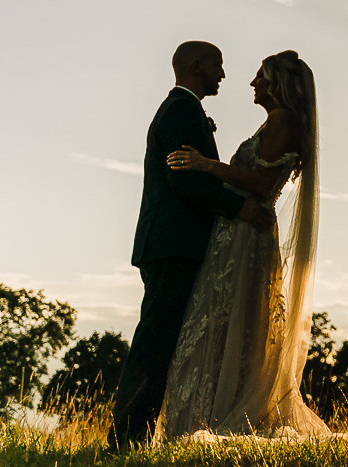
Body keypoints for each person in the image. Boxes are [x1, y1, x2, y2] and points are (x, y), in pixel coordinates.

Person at [108, 41, 275, 450]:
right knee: (154, 344)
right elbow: (184, 179)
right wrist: (240, 209)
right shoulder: (181, 110)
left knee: (161, 341)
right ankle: (125, 440)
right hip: (171, 244)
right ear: (197, 66)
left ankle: (134, 437)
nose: (223, 73)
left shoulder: (184, 109)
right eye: (218, 64)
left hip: (172, 243)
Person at [157, 50, 329, 439]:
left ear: (280, 84)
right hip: (232, 234)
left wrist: (206, 165)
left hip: (245, 238)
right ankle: (208, 414)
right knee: (221, 322)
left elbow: (264, 184)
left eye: (261, 78)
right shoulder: (272, 122)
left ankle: (223, 417)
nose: (253, 84)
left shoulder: (283, 120)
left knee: (228, 323)